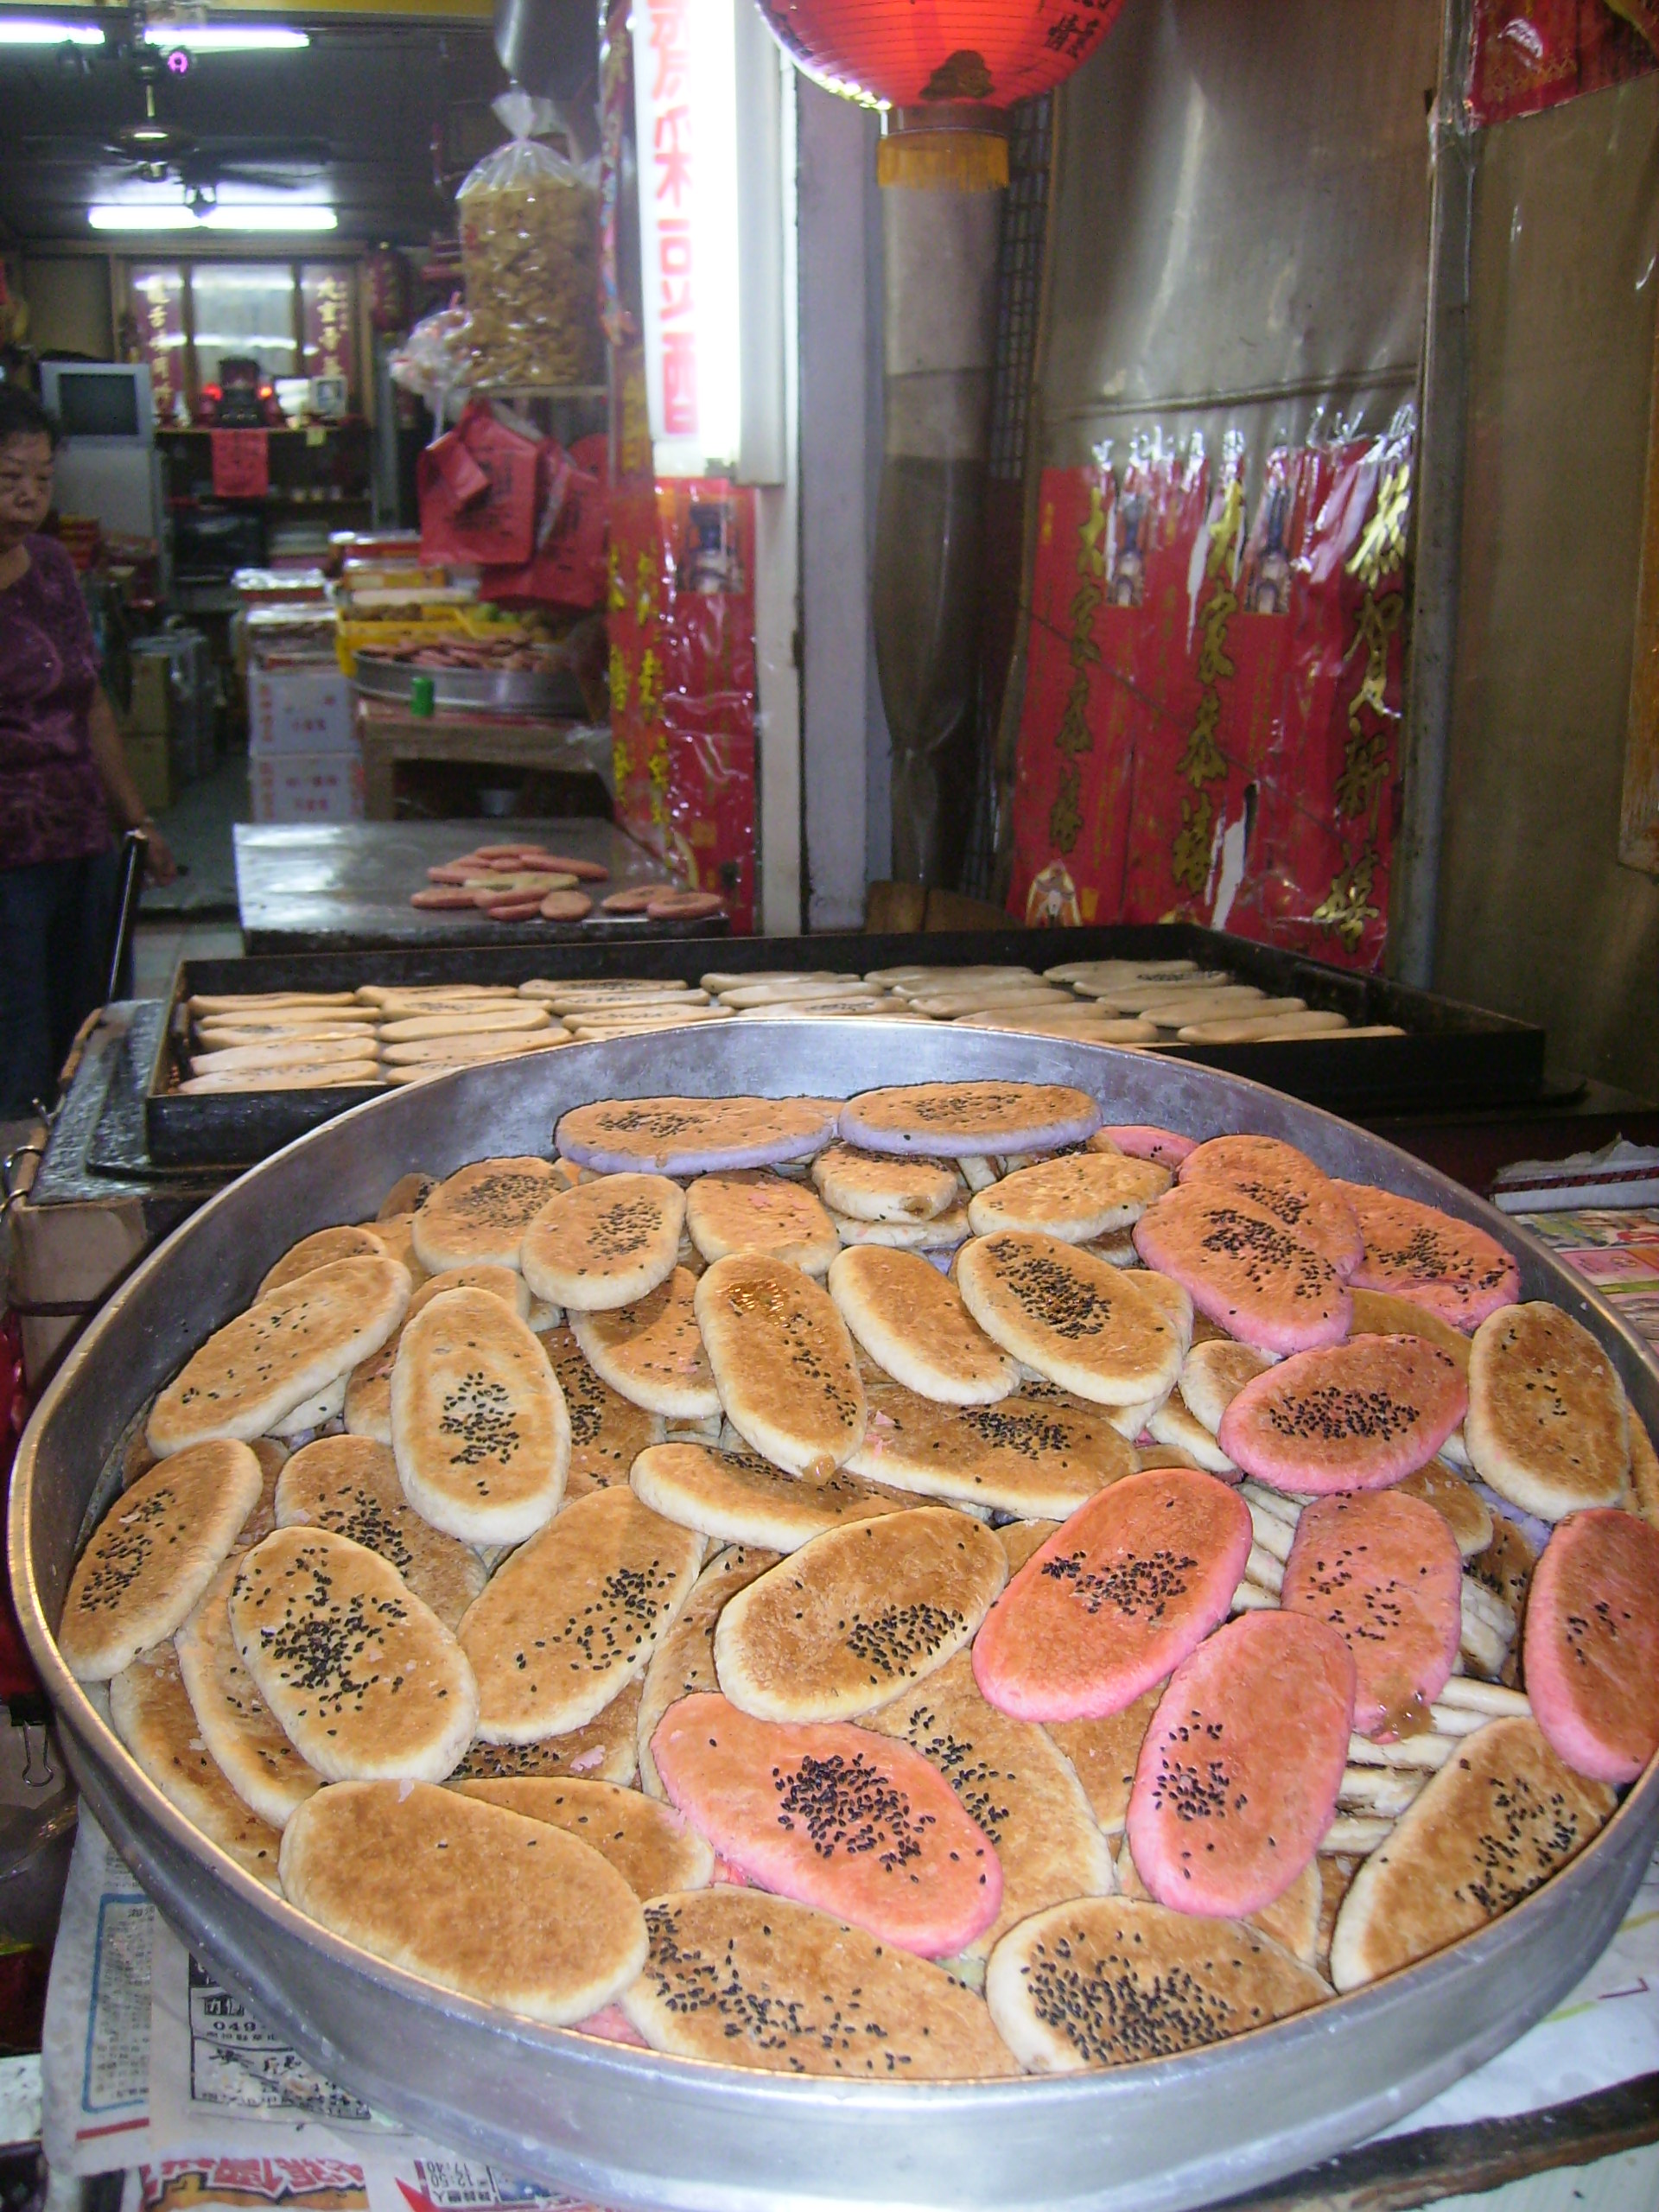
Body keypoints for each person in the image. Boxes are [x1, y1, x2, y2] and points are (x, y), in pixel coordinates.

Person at [0, 384, 175, 1117]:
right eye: (10, 478)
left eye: (42, 478)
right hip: (5, 858)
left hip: (79, 835)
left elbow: (91, 701)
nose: (30, 495)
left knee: (98, 1020)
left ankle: (87, 1172)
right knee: (17, 1028)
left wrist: (135, 819)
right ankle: (19, 1187)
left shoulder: (49, 567)